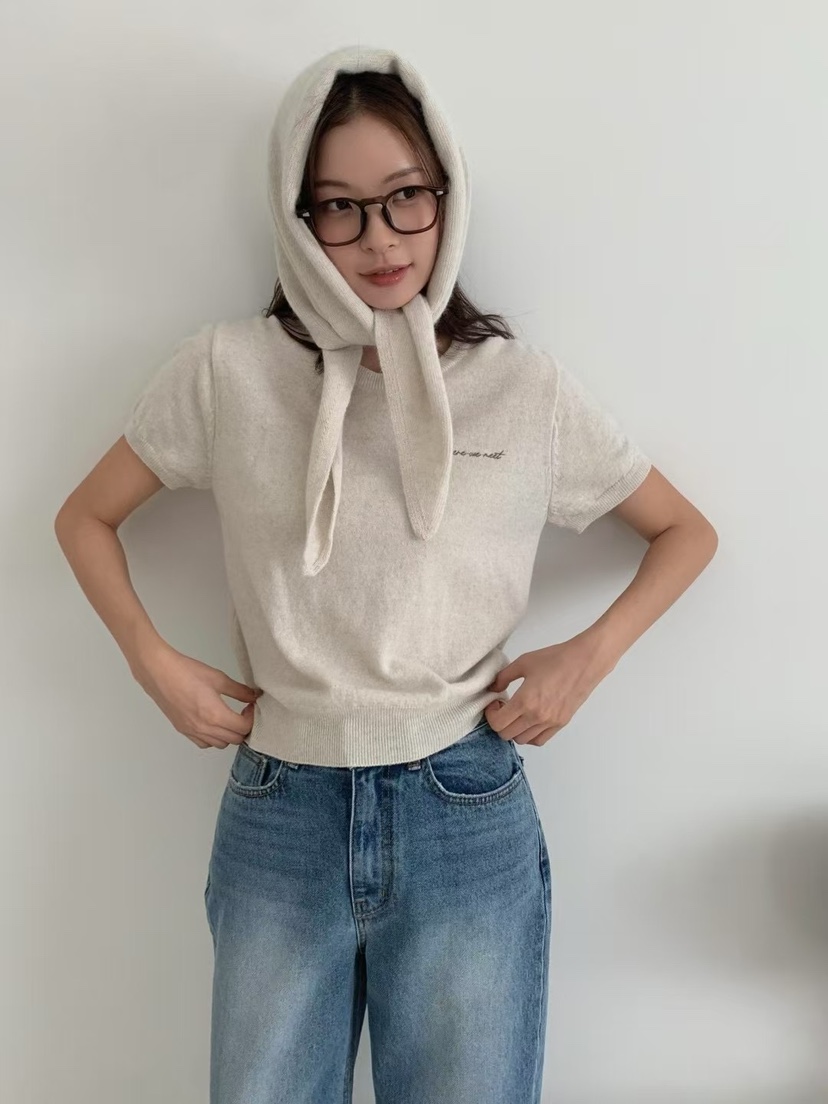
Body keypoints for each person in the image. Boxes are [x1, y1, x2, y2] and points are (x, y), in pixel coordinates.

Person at [54, 43, 718, 1104]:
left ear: (447, 196)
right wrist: (153, 661)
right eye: (340, 207)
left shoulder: (521, 389)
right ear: (297, 217)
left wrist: (585, 660)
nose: (379, 238)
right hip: (280, 809)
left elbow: (685, 531)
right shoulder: (228, 371)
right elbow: (85, 517)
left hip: (466, 805)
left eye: (408, 197)